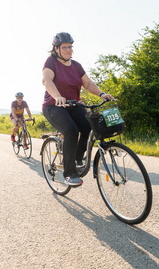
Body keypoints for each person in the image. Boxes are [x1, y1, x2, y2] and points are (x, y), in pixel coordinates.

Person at [42, 32, 115, 186]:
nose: (68, 50)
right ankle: (69, 174)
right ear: (56, 48)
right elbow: (47, 80)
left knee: (89, 126)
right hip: (54, 106)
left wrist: (102, 94)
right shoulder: (51, 62)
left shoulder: (76, 66)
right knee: (71, 131)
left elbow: (87, 84)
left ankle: (77, 157)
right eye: (64, 47)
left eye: (70, 46)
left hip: (74, 105)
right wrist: (57, 96)